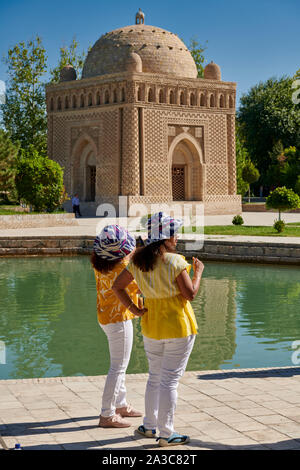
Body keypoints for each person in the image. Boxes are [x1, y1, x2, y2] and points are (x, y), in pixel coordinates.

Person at [113, 212, 204, 447]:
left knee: (154, 377)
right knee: (170, 381)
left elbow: (118, 286)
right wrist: (199, 272)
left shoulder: (137, 262)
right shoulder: (175, 261)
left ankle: (149, 425)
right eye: (174, 234)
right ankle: (166, 433)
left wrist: (134, 308)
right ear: (165, 238)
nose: (177, 238)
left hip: (151, 326)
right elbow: (190, 294)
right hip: (178, 326)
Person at [91, 225, 147, 428]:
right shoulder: (121, 268)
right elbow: (142, 287)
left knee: (119, 364)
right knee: (118, 367)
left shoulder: (99, 263)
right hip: (119, 321)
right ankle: (107, 414)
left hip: (105, 316)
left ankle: (121, 405)